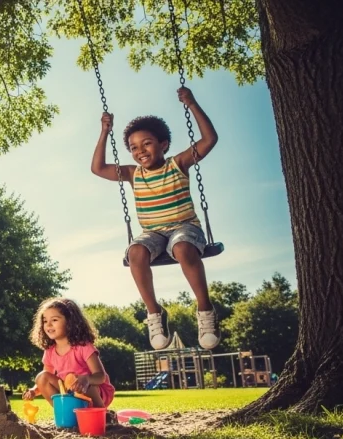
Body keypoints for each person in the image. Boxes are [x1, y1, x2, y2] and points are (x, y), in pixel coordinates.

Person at [90, 87, 221, 350]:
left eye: (147, 143)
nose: (140, 150)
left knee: (183, 247)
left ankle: (205, 311)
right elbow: (98, 168)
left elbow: (209, 139)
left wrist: (192, 104)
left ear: (163, 144)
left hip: (185, 227)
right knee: (135, 252)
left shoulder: (178, 163)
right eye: (133, 147)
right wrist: (104, 132)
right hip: (154, 233)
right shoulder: (132, 173)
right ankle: (154, 313)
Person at [22, 297, 116, 413]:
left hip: (92, 390)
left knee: (83, 386)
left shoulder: (83, 346)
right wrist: (33, 390)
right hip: (68, 391)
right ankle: (65, 412)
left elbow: (101, 376)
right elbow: (46, 379)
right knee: (41, 377)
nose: (48, 325)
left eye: (54, 320)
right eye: (45, 321)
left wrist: (86, 379)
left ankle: (101, 414)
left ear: (70, 322)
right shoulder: (50, 351)